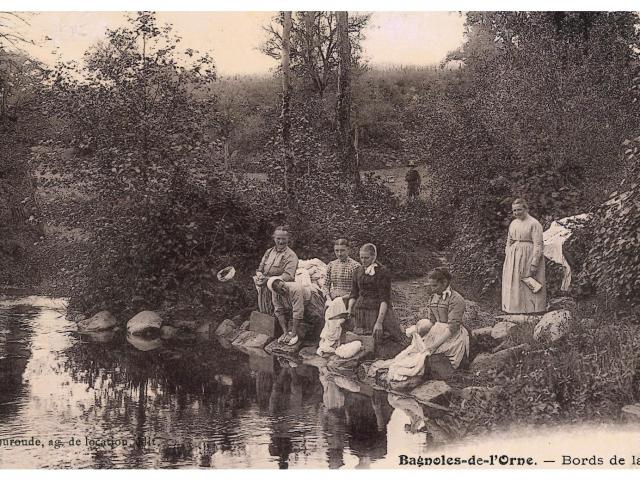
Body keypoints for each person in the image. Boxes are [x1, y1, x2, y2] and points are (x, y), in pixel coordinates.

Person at [346, 243, 408, 358]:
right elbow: (353, 293)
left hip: (377, 310)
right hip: (360, 312)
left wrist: (379, 322)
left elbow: (384, 299)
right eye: (361, 257)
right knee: (360, 341)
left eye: (366, 258)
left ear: (374, 256)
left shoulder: (382, 272)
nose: (363, 260)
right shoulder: (358, 271)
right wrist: (349, 309)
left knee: (382, 341)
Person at [417, 267, 470, 370]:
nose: (432, 289)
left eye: (435, 286)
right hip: (437, 330)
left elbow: (452, 328)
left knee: (434, 357)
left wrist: (434, 345)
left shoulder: (456, 299)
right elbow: (432, 321)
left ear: (445, 282)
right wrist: (419, 332)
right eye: (431, 286)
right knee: (419, 353)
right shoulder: (433, 297)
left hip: (451, 335)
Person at [501, 198, 547, 313]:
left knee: (529, 280)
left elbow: (538, 244)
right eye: (514, 210)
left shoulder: (534, 223)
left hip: (528, 255)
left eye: (519, 210)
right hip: (514, 257)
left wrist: (534, 262)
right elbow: (509, 240)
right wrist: (508, 253)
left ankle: (533, 310)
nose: (516, 213)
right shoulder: (513, 223)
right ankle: (515, 309)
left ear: (526, 209)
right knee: (514, 281)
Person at [254, 226, 299, 315]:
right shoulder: (269, 252)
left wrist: (269, 280)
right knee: (264, 315)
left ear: (288, 239)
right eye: (278, 238)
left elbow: (289, 276)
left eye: (284, 239)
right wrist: (259, 275)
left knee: (277, 315)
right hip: (263, 290)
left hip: (279, 290)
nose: (281, 242)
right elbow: (260, 269)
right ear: (274, 238)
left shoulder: (291, 255)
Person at [269, 277, 325, 346]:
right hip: (294, 304)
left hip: (310, 299)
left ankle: (316, 341)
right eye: (281, 289)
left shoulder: (295, 289)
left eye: (283, 286)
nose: (284, 289)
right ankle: (301, 335)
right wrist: (285, 332)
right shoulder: (275, 294)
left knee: (317, 318)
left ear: (284, 282)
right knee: (296, 323)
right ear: (276, 291)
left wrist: (293, 334)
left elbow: (298, 312)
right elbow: (279, 311)